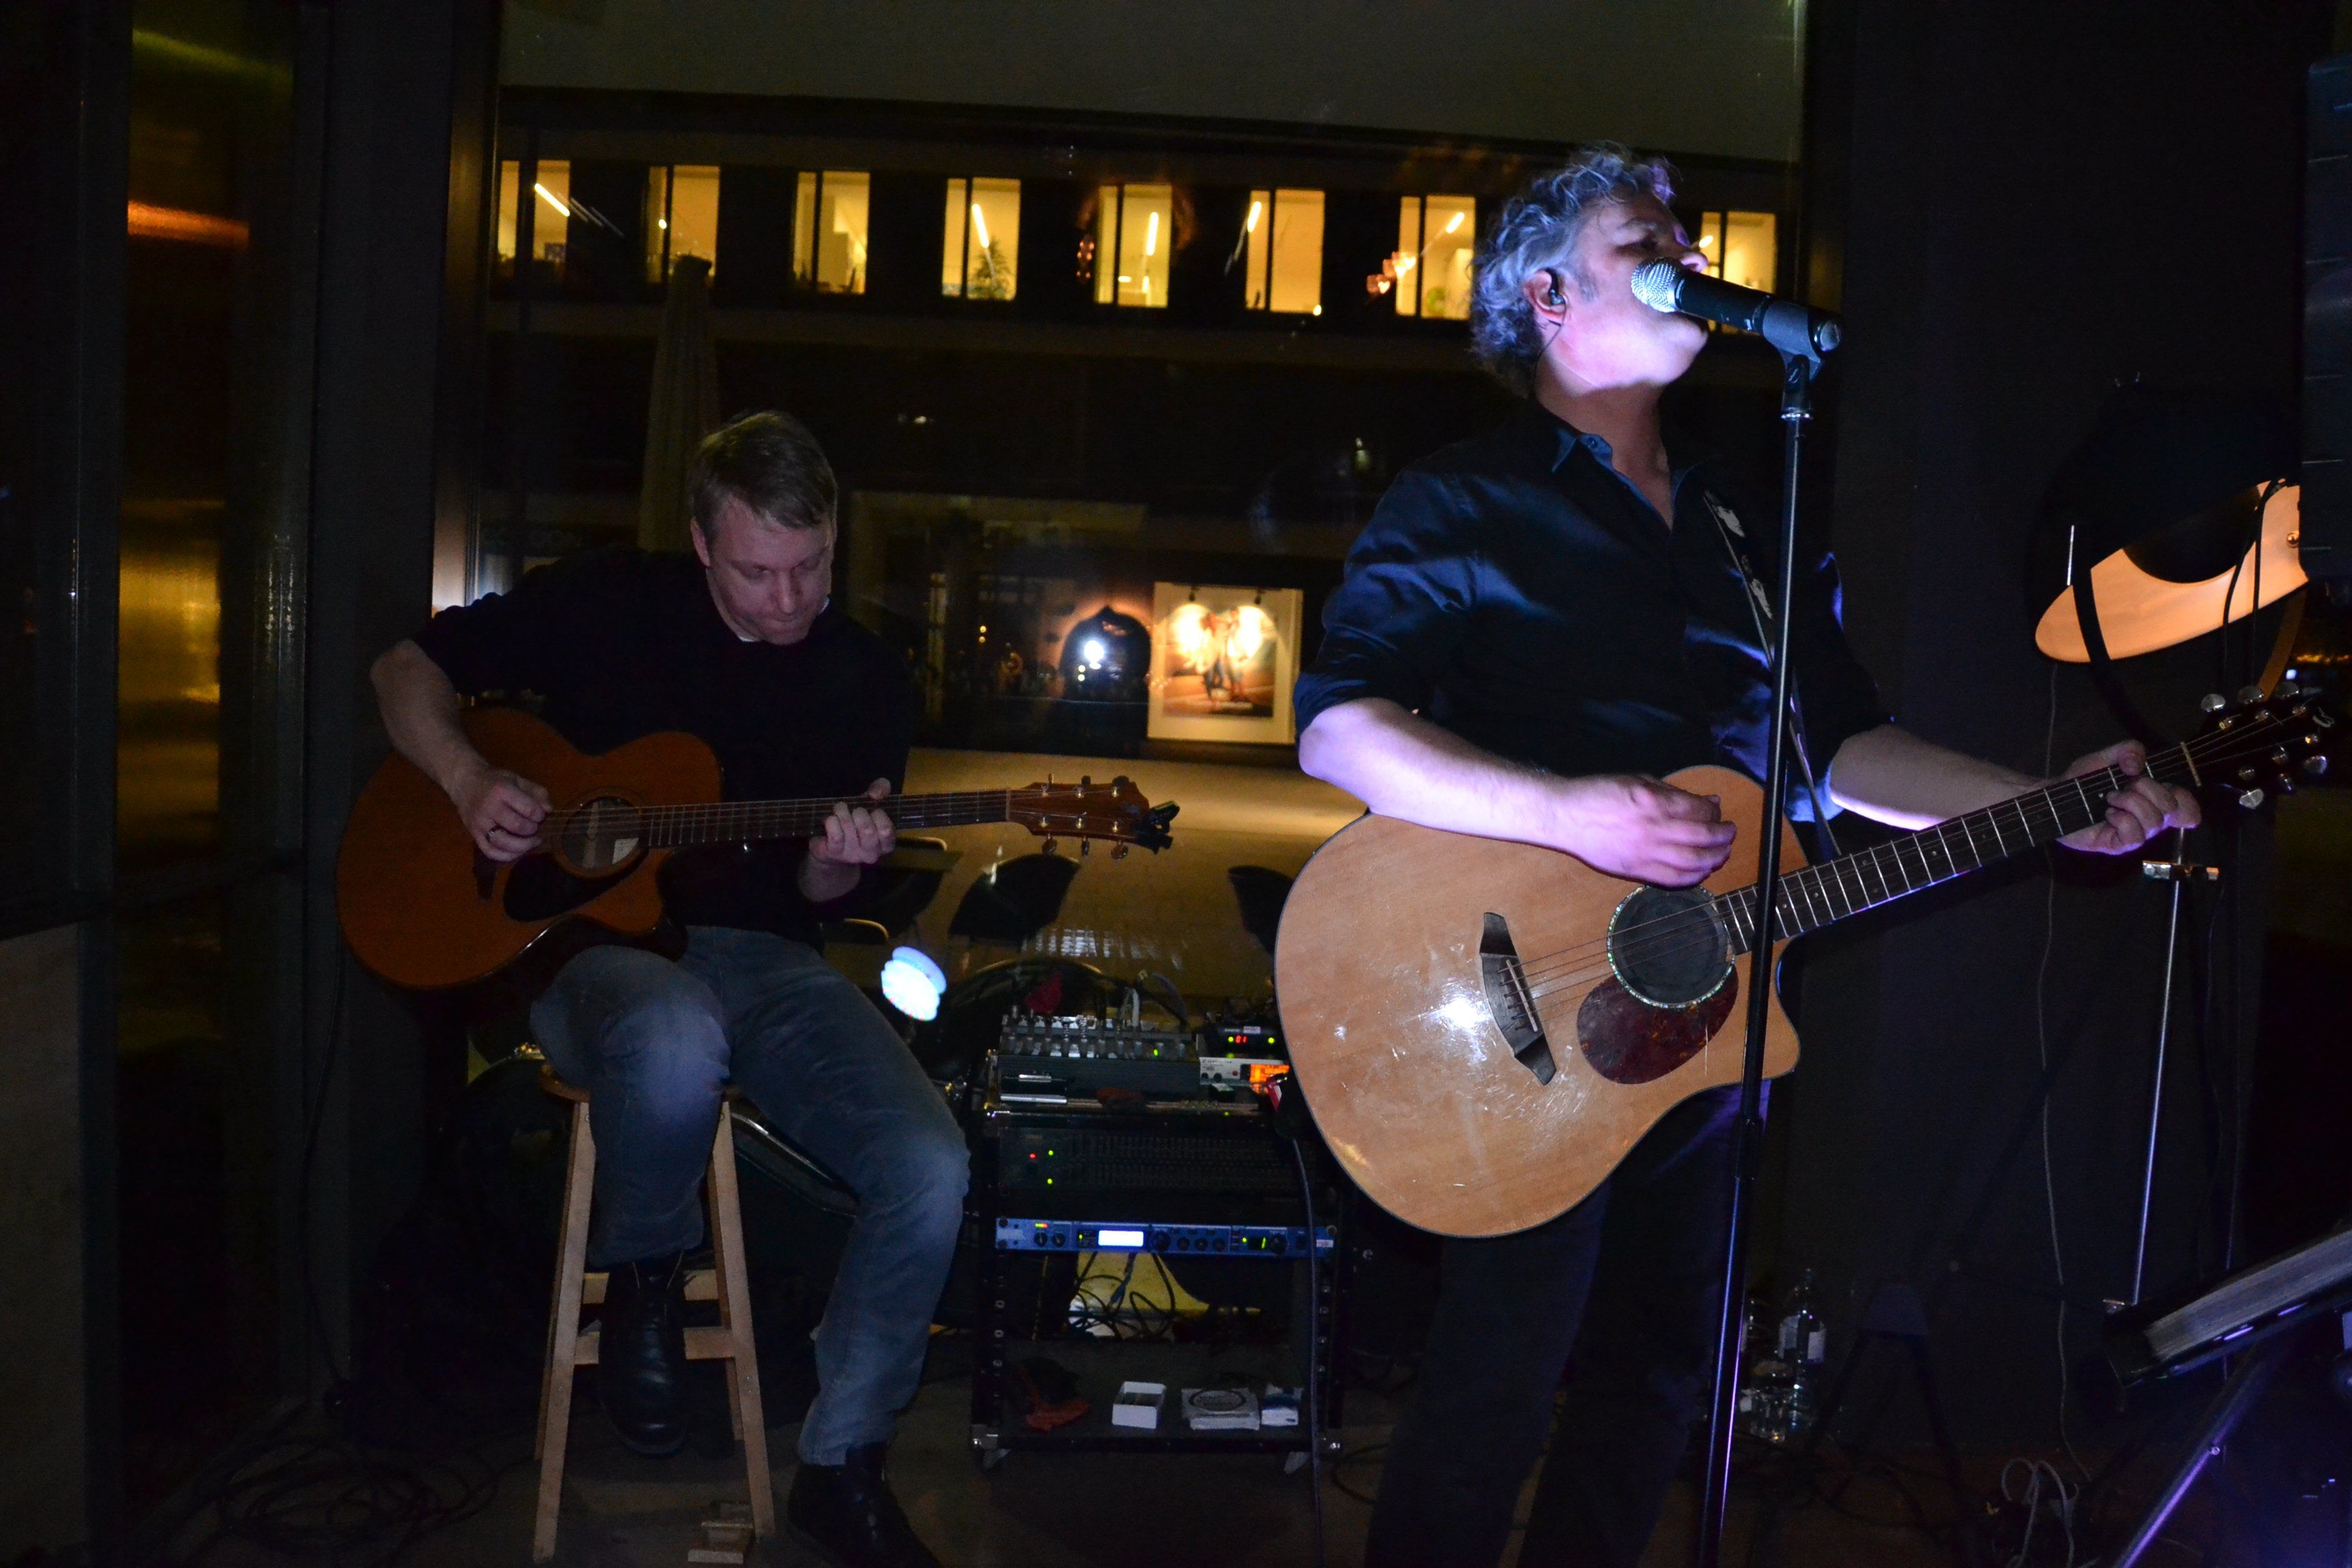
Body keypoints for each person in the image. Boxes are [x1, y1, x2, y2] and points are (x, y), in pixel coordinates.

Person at [1292, 147, 2200, 1568]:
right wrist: (1569, 814)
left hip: (1706, 1017)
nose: (1691, 256)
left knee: (1662, 1380)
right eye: (1645, 239)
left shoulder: (1742, 523)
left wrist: (2040, 799)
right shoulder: (1461, 498)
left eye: (1690, 235)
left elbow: (1841, 748)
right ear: (1548, 294)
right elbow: (1341, 730)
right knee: (1497, 1385)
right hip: (1517, 1004)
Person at [372, 411, 960, 1568]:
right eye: (757, 572)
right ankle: (644, 1273)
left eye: (812, 567)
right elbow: (402, 671)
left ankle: (842, 1464)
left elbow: (822, 895)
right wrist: (468, 777)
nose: (789, 600)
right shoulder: (608, 603)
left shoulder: (866, 676)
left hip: (769, 963)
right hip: (588, 959)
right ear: (700, 544)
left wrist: (836, 866)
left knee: (931, 1166)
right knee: (675, 1030)